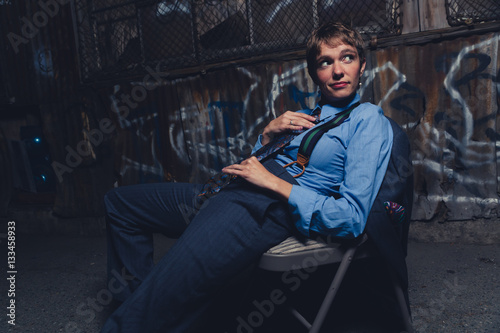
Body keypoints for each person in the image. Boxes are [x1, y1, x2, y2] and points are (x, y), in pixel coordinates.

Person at [100, 22, 393, 332]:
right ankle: (137, 304)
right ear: (314, 73)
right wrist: (267, 136)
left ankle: (131, 322)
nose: (337, 71)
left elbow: (350, 219)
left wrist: (272, 183)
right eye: (325, 62)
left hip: (263, 207)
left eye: (347, 58)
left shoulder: (367, 120)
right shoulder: (306, 116)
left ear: (361, 67)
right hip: (227, 190)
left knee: (172, 284)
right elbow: (254, 165)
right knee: (120, 205)